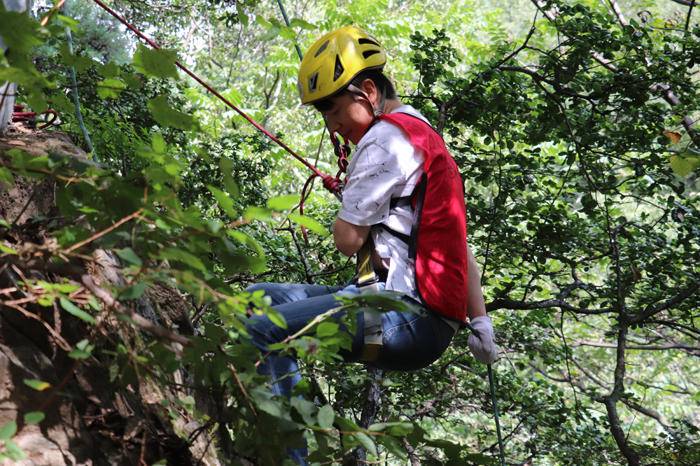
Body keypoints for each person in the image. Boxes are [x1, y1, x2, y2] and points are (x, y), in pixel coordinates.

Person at [246, 25, 498, 463]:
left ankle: (288, 459)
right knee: (256, 301)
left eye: (333, 110)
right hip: (409, 312)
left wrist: (354, 201)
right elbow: (457, 243)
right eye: (323, 115)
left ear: (367, 90)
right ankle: (294, 429)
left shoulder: (385, 139)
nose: (332, 124)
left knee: (261, 328)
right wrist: (480, 322)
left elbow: (347, 240)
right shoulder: (424, 135)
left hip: (406, 315)